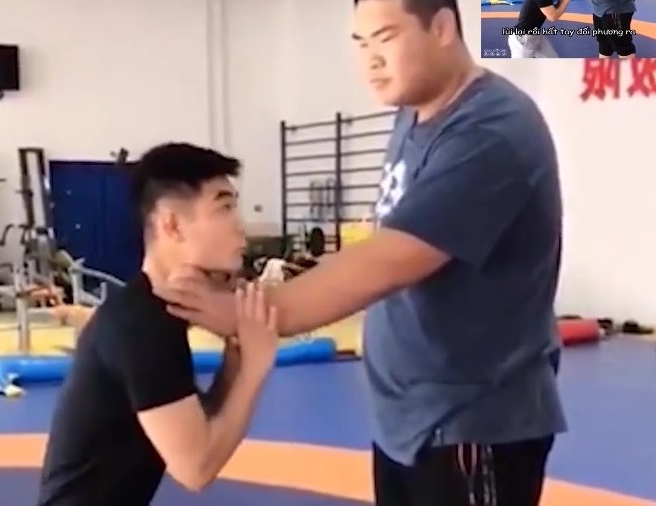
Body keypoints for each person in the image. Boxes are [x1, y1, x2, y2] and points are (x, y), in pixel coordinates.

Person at [154, 1, 566, 505]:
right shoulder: (414, 115)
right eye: (361, 43)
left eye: (386, 38)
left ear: (442, 28)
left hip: (471, 423)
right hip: (407, 419)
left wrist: (245, 312)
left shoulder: (490, 132)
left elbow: (387, 262)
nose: (370, 60)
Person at [37, 143, 279, 505]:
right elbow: (196, 468)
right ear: (172, 225)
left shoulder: (158, 312)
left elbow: (199, 425)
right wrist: (255, 367)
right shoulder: (142, 325)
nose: (241, 227)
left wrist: (234, 366)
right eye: (224, 207)